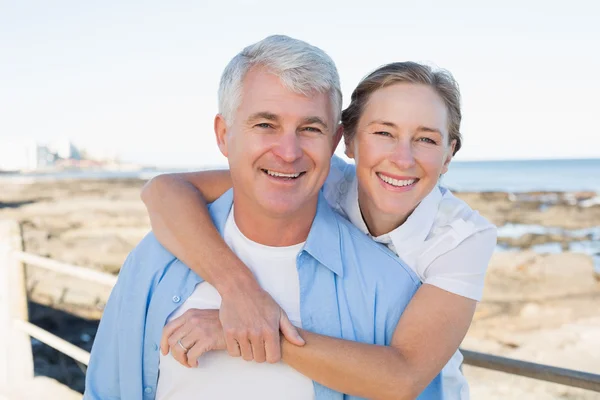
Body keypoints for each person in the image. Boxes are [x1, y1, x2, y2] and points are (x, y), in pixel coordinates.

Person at [84, 35, 442, 400]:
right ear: (224, 135)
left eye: (310, 129)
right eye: (266, 125)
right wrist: (240, 289)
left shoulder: (388, 288)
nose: (288, 153)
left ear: (334, 142)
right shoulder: (155, 260)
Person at [141, 59, 497, 398]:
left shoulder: (462, 238)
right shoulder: (319, 178)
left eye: (426, 139)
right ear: (349, 142)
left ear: (448, 155)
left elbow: (401, 379)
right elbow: (164, 190)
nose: (402, 159)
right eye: (384, 133)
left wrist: (251, 329)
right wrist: (239, 289)